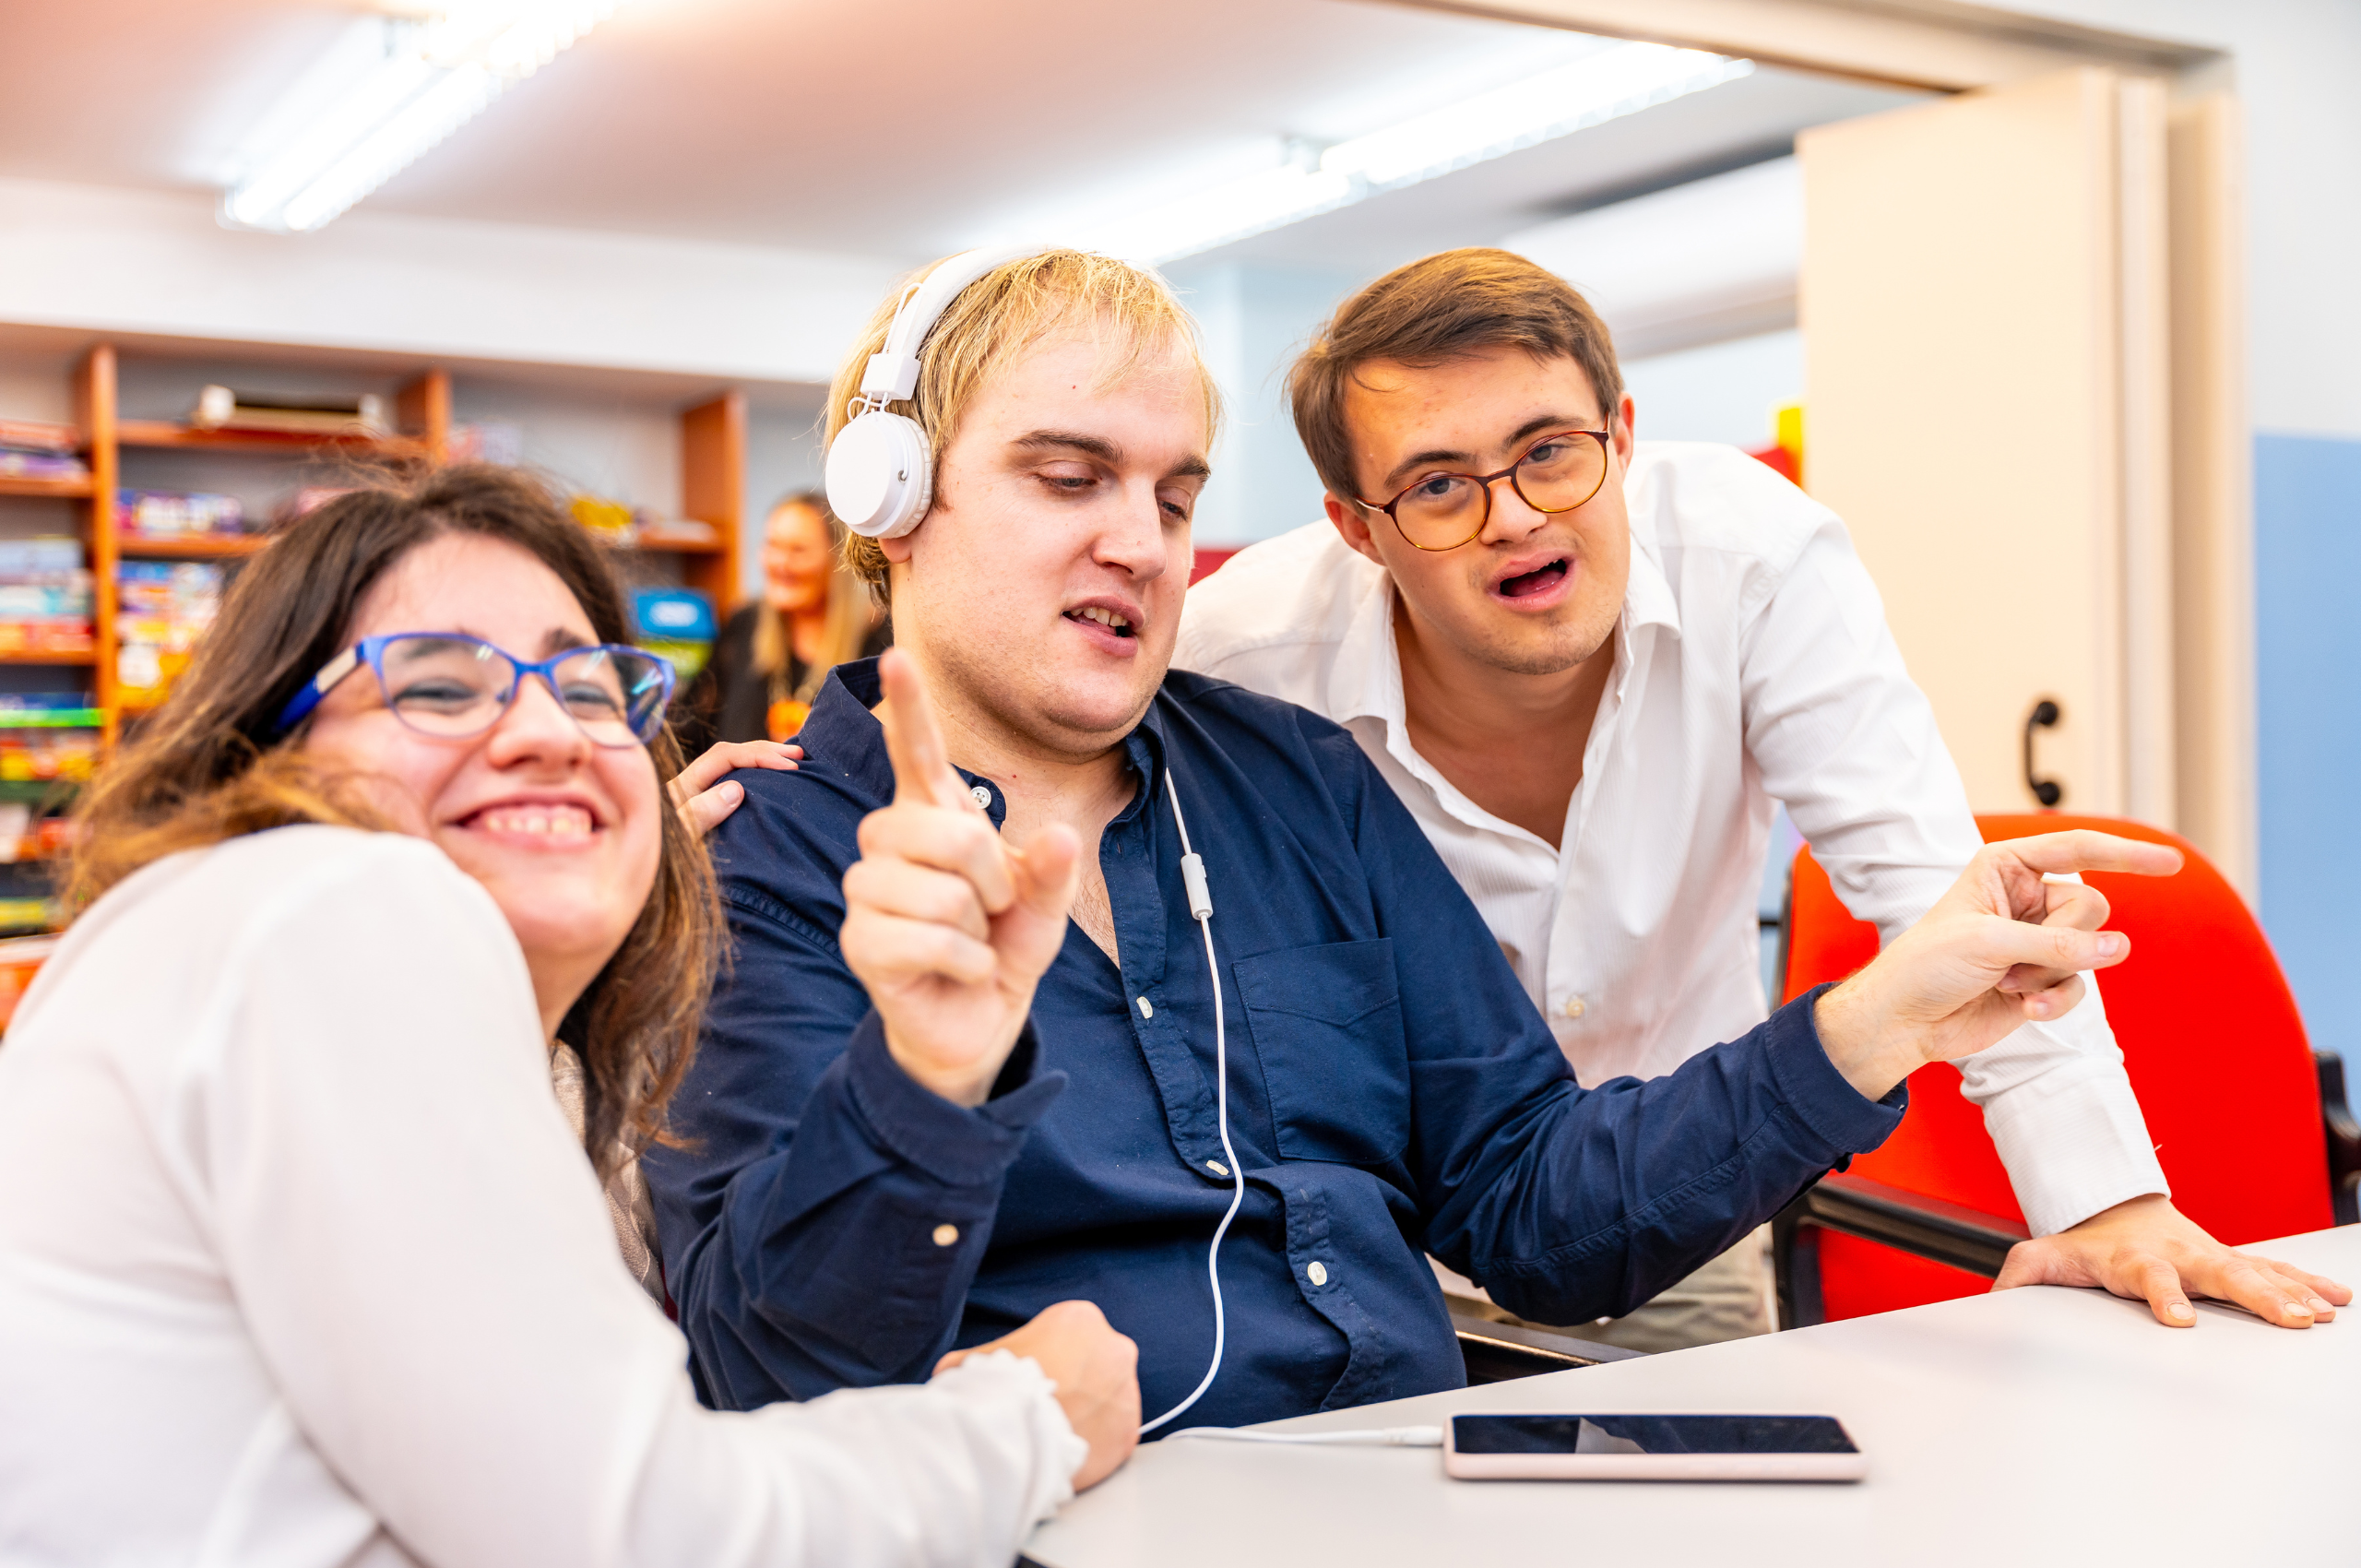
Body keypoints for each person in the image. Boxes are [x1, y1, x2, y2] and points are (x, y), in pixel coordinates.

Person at [647, 247, 2177, 1435]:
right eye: (1068, 477)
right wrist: (921, 1079)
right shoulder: (763, 858)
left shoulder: (1293, 779)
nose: (1140, 541)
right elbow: (766, 1377)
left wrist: (1872, 1021)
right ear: (890, 497)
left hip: (1418, 1487)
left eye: (1175, 495)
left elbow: (1528, 1208)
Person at [1175, 247, 2350, 1348]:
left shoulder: (1753, 558)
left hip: (1684, 1204)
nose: (1517, 513)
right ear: (1356, 528)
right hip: (1372, 1257)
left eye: (1549, 450)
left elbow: (1941, 902)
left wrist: (2103, 1203)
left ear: (1622, 436)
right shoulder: (1238, 659)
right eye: (1438, 484)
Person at [0, 466, 1138, 1567]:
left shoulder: (404, 1010)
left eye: (591, 689)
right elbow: (643, 1530)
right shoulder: (335, 901)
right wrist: (1027, 1420)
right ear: (261, 753)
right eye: (438, 685)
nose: (549, 733)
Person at [708, 491, 890, 742]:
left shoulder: (882, 646)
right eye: (772, 545)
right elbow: (698, 731)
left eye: (798, 550)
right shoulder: (744, 625)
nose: (779, 563)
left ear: (838, 562)